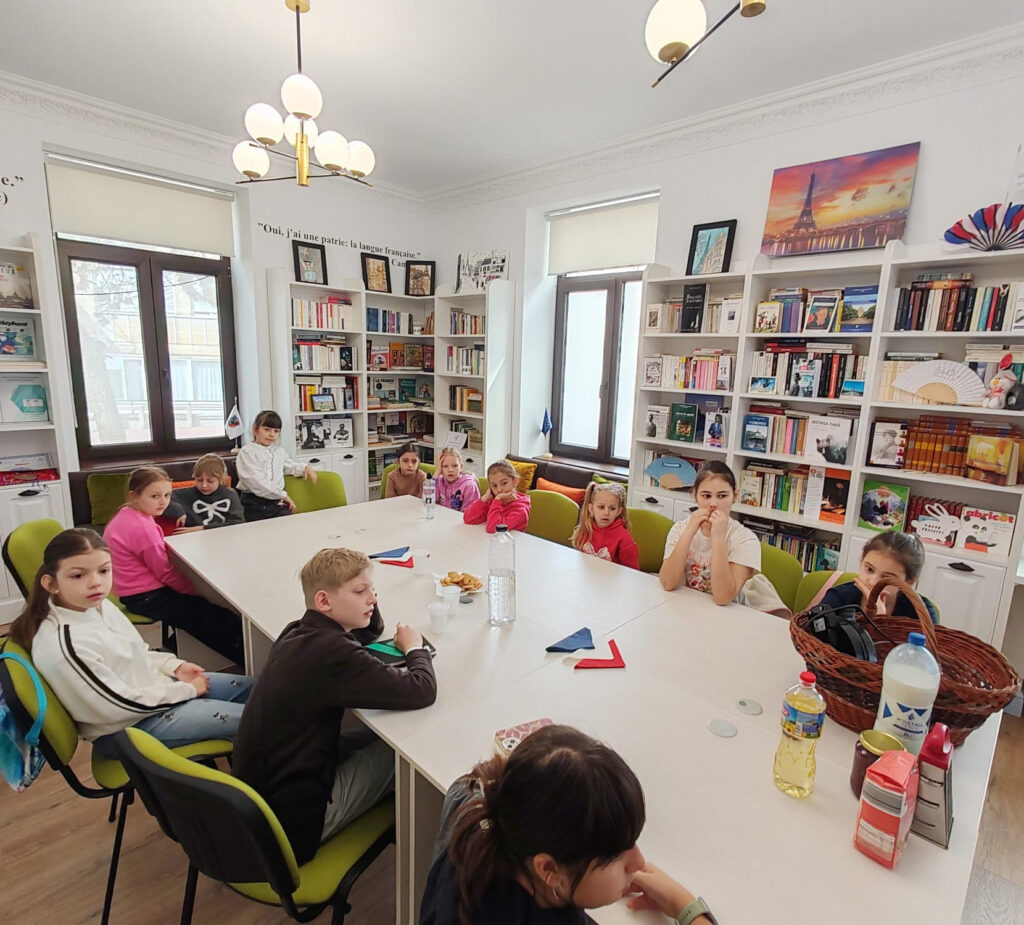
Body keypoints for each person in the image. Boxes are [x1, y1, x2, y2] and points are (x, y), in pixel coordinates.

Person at [232, 548, 436, 865]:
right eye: (360, 591)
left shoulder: (297, 631)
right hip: (294, 828)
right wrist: (414, 648)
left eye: (373, 590)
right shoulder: (332, 652)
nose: (372, 599)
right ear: (324, 601)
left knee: (375, 739)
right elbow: (421, 690)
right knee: (408, 754)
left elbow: (369, 630)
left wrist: (362, 597)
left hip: (262, 800)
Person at [419, 724, 715, 925]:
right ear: (549, 869)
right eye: (615, 856)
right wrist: (687, 908)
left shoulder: (480, 821)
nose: (639, 862)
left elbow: (463, 787)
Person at [9, 528, 252, 757]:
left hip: (153, 693)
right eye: (78, 575)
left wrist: (173, 667)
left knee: (261, 691)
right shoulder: (66, 645)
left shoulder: (96, 604)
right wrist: (187, 690)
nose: (96, 582)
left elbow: (134, 651)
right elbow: (116, 706)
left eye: (104, 571)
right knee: (260, 721)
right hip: (129, 727)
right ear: (51, 583)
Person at [104, 467, 245, 665]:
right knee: (214, 615)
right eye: (155, 496)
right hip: (144, 596)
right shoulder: (142, 528)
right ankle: (246, 658)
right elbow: (165, 573)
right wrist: (196, 591)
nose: (163, 502)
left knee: (207, 612)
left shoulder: (127, 514)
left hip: (132, 591)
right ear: (134, 496)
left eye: (167, 495)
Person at [659, 461, 760, 606]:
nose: (713, 504)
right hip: (688, 605)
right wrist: (688, 533)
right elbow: (668, 583)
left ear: (734, 496)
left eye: (722, 496)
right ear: (695, 496)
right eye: (706, 496)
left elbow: (723, 598)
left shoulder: (746, 540)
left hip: (729, 613)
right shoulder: (680, 529)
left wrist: (718, 537)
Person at [820, 532, 938, 622]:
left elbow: (933, 646)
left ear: (909, 581)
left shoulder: (922, 612)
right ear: (862, 560)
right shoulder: (838, 598)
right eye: (869, 569)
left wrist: (880, 621)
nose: (873, 582)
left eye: (886, 578)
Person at [235, 409, 317, 521]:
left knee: (288, 524)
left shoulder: (279, 451)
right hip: (254, 502)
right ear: (255, 429)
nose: (272, 434)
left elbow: (289, 466)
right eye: (266, 429)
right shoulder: (247, 451)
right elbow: (255, 481)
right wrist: (283, 495)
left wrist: (305, 468)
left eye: (276, 431)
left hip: (276, 502)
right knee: (259, 529)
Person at [571, 482, 639, 569]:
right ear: (591, 509)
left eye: (612, 508)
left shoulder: (624, 538)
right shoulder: (585, 529)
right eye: (601, 507)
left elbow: (632, 572)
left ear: (618, 511)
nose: (606, 513)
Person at [172, 453, 244, 532]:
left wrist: (203, 528)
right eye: (199, 480)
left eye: (210, 481)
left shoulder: (230, 495)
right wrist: (179, 511)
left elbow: (237, 523)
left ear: (221, 479)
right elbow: (166, 497)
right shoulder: (187, 493)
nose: (204, 485)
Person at [463, 459, 531, 533]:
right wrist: (484, 499)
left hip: (510, 540)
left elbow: (493, 528)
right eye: (494, 485)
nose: (499, 490)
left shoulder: (521, 510)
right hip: (490, 539)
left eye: (504, 483)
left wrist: (497, 500)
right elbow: (468, 519)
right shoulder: (491, 501)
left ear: (515, 481)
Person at [435, 447, 481, 513]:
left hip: (461, 518)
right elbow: (426, 501)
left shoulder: (469, 485)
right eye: (445, 466)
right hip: (443, 516)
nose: (450, 470)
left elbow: (468, 514)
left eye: (455, 466)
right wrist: (437, 473)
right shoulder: (439, 480)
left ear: (461, 467)